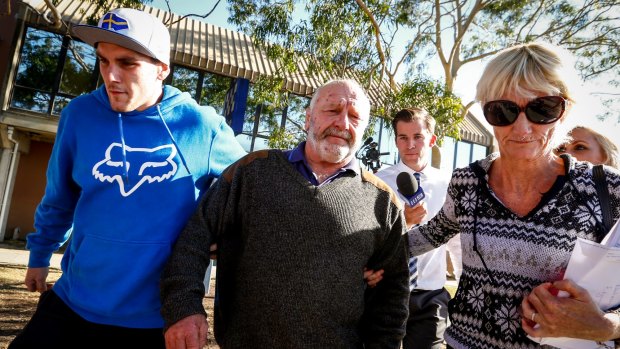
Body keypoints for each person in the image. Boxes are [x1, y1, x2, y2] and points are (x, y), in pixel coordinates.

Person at [9, 8, 245, 348]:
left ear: (162, 69)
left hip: (153, 322)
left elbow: (251, 190)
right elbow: (60, 196)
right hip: (72, 302)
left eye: (127, 63)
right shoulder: (79, 115)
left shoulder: (199, 126)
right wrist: (40, 255)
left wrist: (226, 236)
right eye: (103, 61)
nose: (111, 75)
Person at [160, 79, 410, 349]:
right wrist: (184, 309)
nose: (342, 123)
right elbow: (193, 240)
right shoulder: (251, 172)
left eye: (354, 117)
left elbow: (392, 296)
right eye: (332, 110)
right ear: (308, 118)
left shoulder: (383, 202)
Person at [405, 42, 620, 348]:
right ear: (486, 112)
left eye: (541, 108)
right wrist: (364, 253)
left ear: (565, 110)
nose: (522, 127)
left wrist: (606, 326)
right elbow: (431, 234)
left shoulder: (606, 189)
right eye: (503, 110)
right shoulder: (467, 181)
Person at [373, 107, 452, 349]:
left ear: (432, 139)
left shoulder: (449, 184)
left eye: (418, 137)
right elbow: (369, 240)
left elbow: (460, 243)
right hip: (387, 293)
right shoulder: (377, 181)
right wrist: (403, 222)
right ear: (395, 140)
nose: (410, 145)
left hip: (431, 297)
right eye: (403, 138)